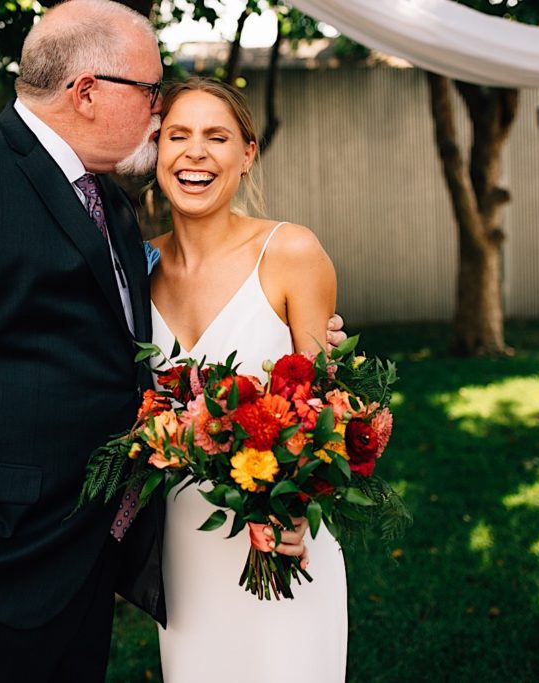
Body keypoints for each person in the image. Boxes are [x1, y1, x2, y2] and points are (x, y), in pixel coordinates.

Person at [0, 0, 344, 679]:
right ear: (88, 91)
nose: (160, 117)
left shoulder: (113, 213)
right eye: (153, 93)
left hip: (77, 567)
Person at [148, 77, 348, 681]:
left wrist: (296, 508)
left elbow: (327, 411)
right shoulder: (136, 267)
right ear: (156, 149)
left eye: (217, 137)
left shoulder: (291, 252)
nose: (195, 153)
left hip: (284, 540)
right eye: (177, 135)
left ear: (248, 153)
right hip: (182, 555)